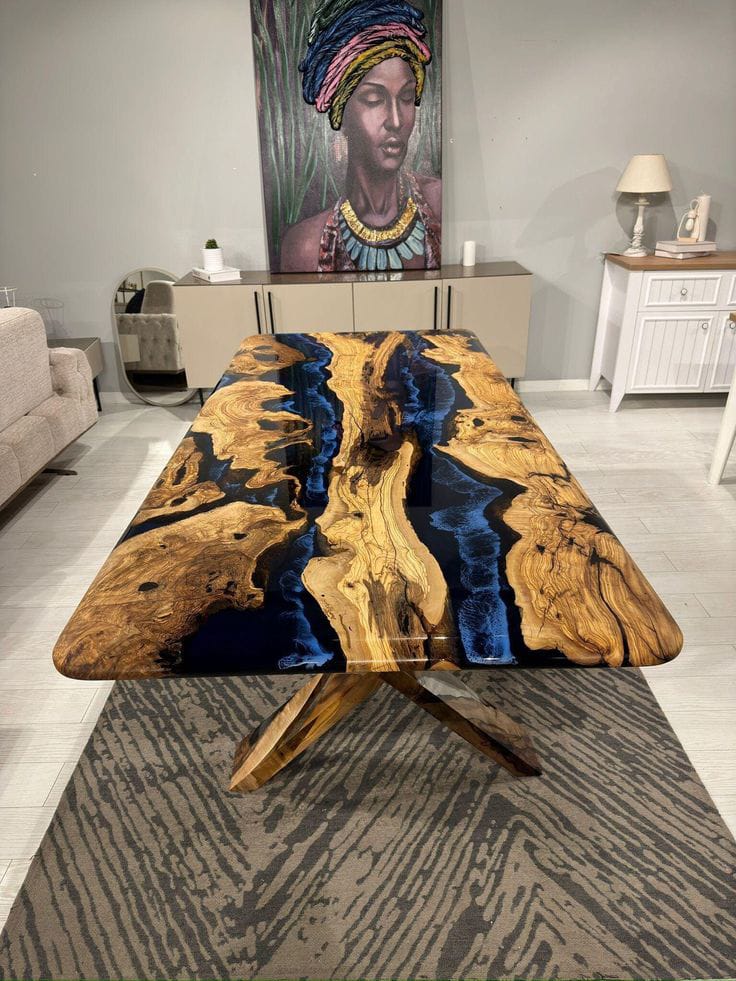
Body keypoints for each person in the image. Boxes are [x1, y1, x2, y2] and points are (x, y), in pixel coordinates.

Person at [280, 0, 441, 273]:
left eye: (406, 97)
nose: (396, 121)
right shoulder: (306, 245)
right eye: (374, 99)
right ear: (341, 113)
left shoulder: (439, 203)